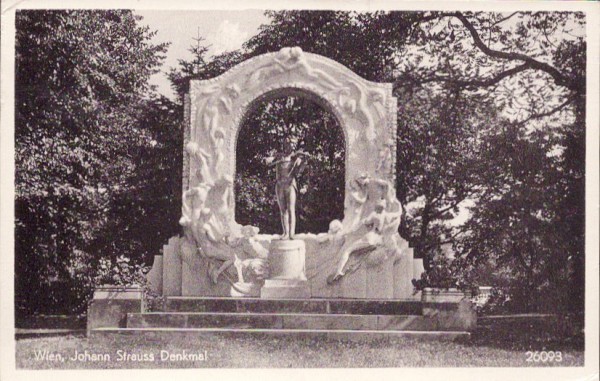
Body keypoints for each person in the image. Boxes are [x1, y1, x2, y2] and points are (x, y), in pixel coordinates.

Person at [267, 140, 310, 240]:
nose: (290, 147)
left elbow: (298, 172)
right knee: (283, 210)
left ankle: (291, 233)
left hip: (290, 184)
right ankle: (285, 232)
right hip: (280, 185)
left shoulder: (296, 158)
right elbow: (269, 162)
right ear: (285, 145)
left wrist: (304, 162)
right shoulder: (279, 156)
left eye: (292, 145)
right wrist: (269, 159)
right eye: (288, 145)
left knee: (291, 209)